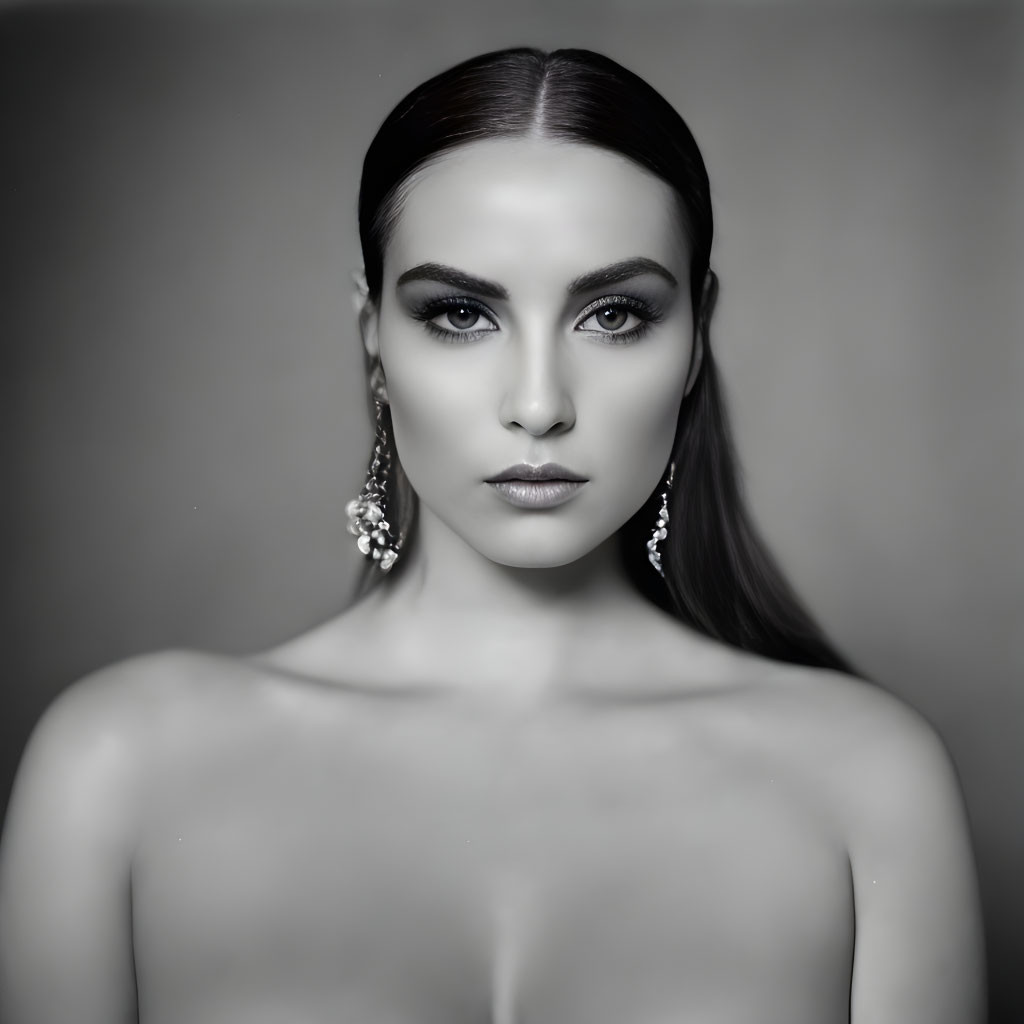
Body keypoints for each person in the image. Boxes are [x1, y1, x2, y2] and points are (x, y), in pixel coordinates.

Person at [0, 47, 985, 1024]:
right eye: (461, 313)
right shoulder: (119, 768)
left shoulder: (865, 782)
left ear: (696, 339)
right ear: (372, 340)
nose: (538, 403)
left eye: (614, 314)